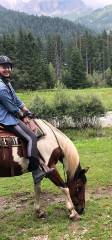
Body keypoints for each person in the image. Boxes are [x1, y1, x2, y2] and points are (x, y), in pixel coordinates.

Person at [0, 55, 54, 184]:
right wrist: (24, 117)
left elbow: (17, 101)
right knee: (31, 137)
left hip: (10, 114)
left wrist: (28, 112)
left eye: (9, 67)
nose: (7, 69)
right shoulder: (1, 87)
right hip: (6, 118)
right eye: (4, 67)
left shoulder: (6, 83)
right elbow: (12, 108)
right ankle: (36, 171)